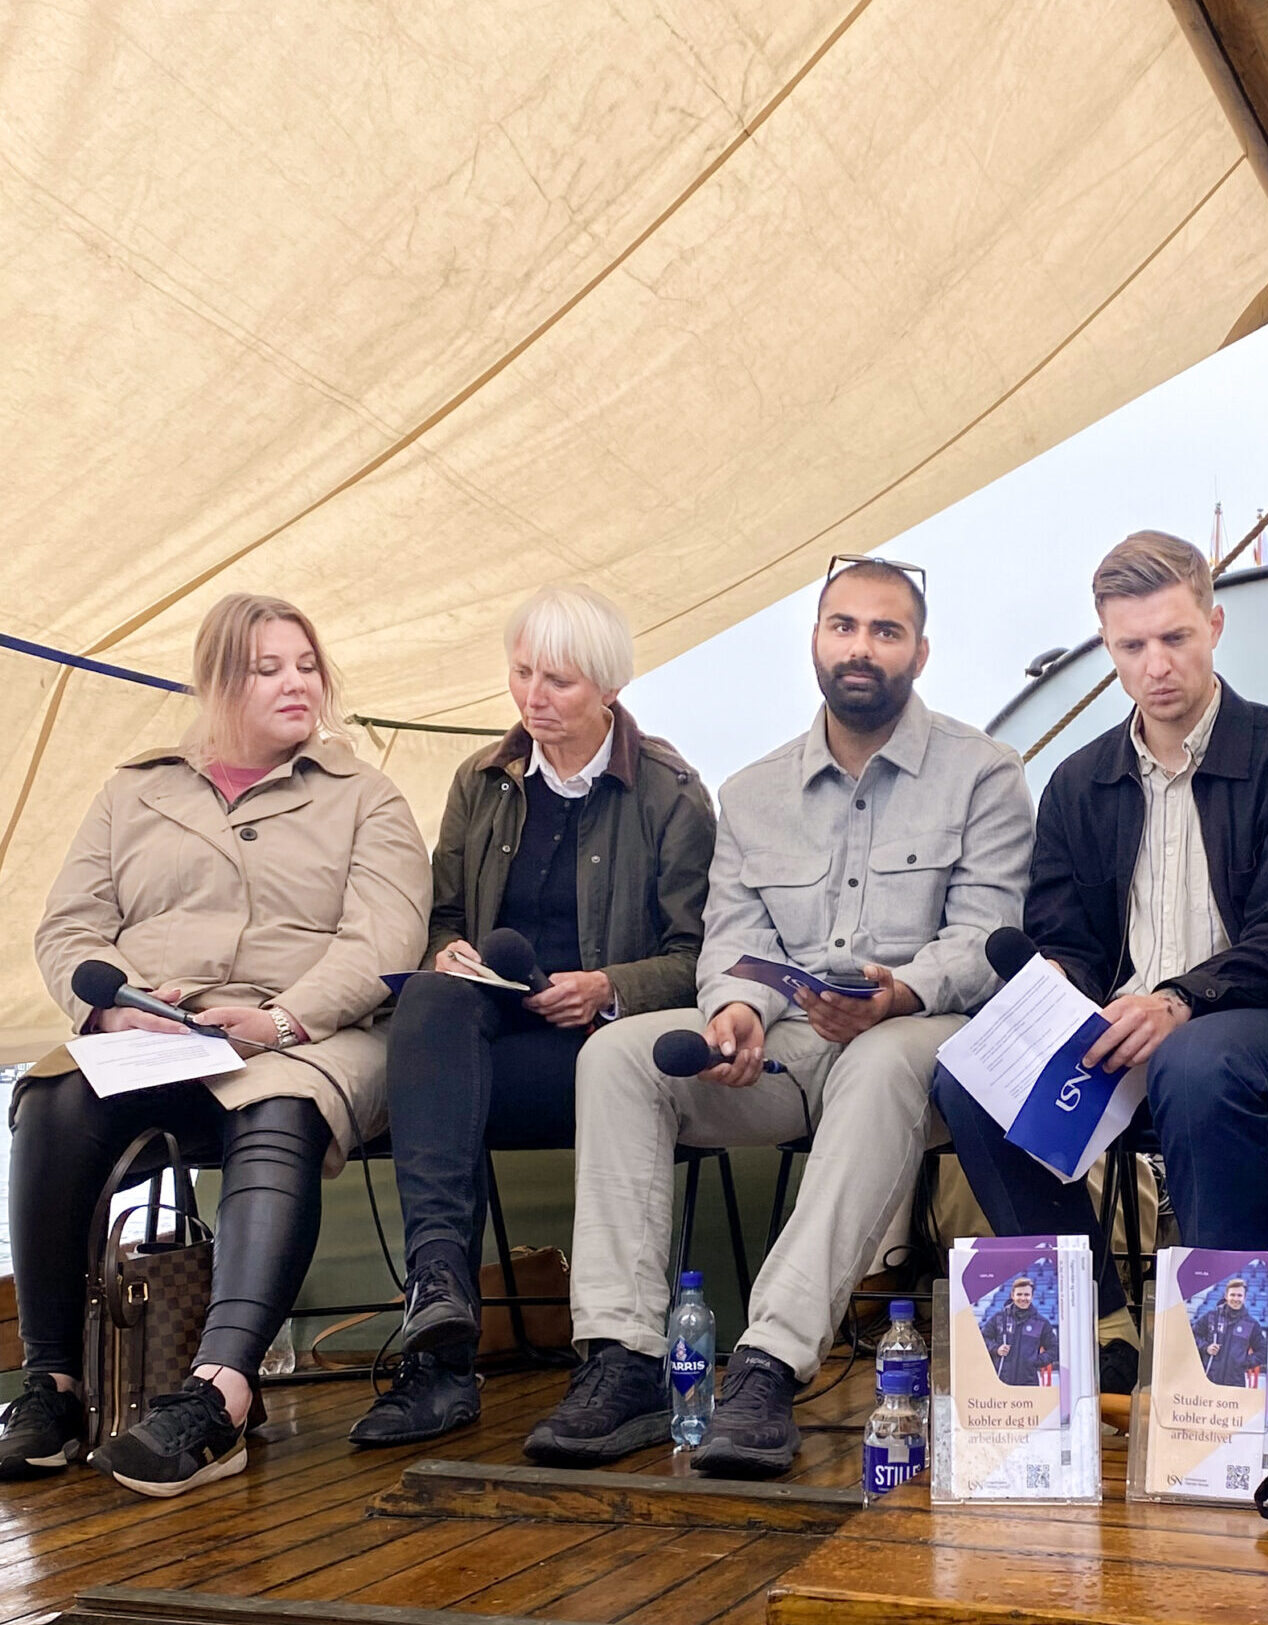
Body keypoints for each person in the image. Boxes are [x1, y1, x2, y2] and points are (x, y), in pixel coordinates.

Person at [524, 557, 1033, 1474]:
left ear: (920, 651)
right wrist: (735, 1010)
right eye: (842, 626)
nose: (861, 648)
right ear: (814, 642)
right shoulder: (751, 792)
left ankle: (768, 1363)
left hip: (919, 1034)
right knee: (618, 1057)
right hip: (791, 1046)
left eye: (884, 630)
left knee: (883, 1063)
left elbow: (989, 935)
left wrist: (899, 990)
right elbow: (730, 936)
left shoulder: (985, 773)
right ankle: (624, 1357)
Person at [2, 595, 430, 1496]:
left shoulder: (368, 796)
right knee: (49, 1095)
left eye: (306, 664)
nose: (296, 683)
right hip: (156, 1033)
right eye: (268, 667)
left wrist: (280, 1020)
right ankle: (52, 1388)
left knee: (282, 1102)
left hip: (307, 1033)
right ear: (217, 681)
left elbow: (385, 939)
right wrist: (113, 1008)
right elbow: (71, 925)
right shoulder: (134, 790)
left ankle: (220, 1393)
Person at [934, 530, 1268, 1391]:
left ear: (1214, 624)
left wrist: (1180, 1001)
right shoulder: (1077, 783)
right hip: (1117, 1035)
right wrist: (1054, 984)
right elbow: (1069, 941)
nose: (1155, 664)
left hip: (1261, 1028)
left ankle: (1227, 1357)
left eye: (1174, 638)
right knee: (971, 1072)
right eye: (1131, 646)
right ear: (1108, 649)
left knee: (1198, 1060)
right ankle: (1091, 1321)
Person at [348, 586, 715, 1447]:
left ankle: (445, 1360)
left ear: (609, 687)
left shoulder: (671, 794)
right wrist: (449, 953)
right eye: (521, 673)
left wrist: (609, 985)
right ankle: (439, 1296)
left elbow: (700, 953)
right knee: (436, 998)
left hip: (594, 1056)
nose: (533, 697)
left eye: (559, 680)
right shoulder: (479, 781)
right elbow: (441, 917)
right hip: (485, 1040)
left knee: (440, 1079)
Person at [982, 1279, 1058, 1386]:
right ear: (1013, 1295)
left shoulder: (1041, 1323)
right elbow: (982, 1338)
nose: (1023, 1298)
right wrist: (995, 1349)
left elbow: (1054, 1348)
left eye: (1026, 1295)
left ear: (1032, 1297)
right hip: (1001, 1382)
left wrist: (1036, 1361)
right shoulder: (999, 1318)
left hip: (1029, 1384)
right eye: (1019, 1294)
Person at [1193, 1279, 1267, 1387]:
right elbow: (1192, 1335)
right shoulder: (1211, 1317)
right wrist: (1206, 1347)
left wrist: (1244, 1362)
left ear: (1244, 1298)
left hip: (1235, 1385)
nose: (1236, 1299)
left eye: (1239, 1295)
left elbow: (1263, 1351)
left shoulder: (1251, 1324)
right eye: (1232, 1295)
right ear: (1226, 1296)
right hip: (1209, 1381)